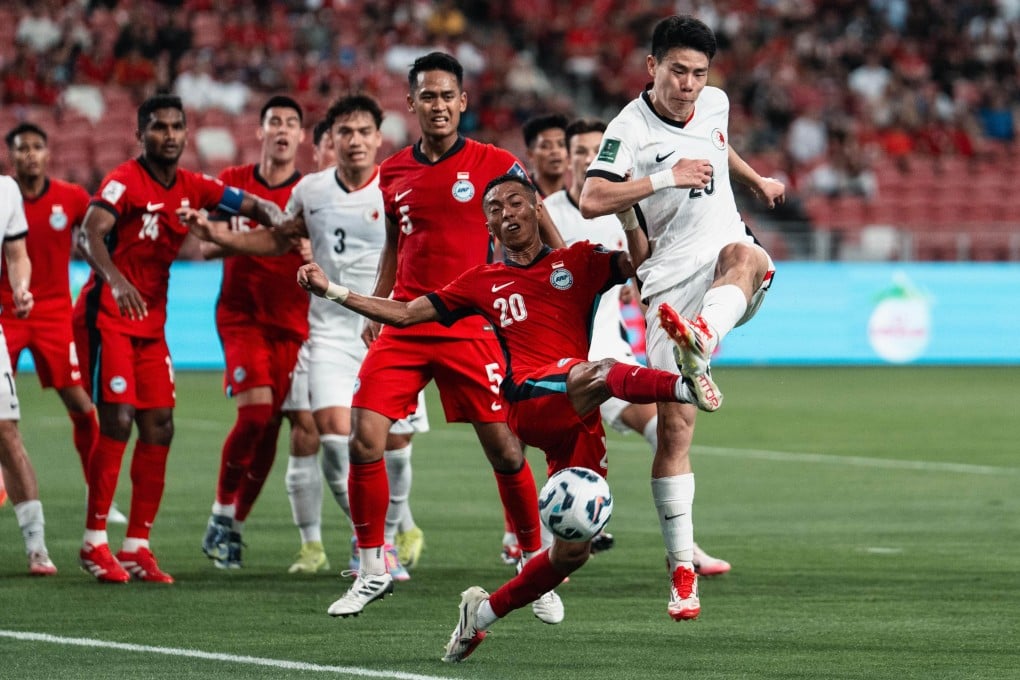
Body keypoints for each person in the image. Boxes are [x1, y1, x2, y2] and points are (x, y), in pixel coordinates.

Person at [295, 175, 705, 662]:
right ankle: (685, 384)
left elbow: (640, 263)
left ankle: (481, 615)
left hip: (577, 421)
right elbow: (404, 315)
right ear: (487, 225)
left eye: (515, 202)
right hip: (530, 399)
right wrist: (333, 291)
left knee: (572, 552)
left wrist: (627, 216)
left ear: (536, 209)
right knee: (601, 371)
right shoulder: (481, 281)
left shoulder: (578, 261)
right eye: (494, 208)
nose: (506, 212)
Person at [322, 51, 565, 620]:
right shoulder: (393, 172)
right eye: (427, 96)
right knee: (364, 437)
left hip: (471, 324)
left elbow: (541, 226)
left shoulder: (496, 163)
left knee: (505, 449)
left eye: (446, 96)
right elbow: (396, 245)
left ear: (462, 101)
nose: (437, 105)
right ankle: (371, 567)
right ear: (411, 103)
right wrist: (379, 304)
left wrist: (559, 281)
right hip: (406, 321)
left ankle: (536, 568)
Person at [579, 15, 784, 620]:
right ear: (652, 67)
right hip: (668, 282)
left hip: (721, 261)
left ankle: (704, 339)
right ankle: (681, 569)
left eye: (698, 73)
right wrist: (667, 176)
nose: (689, 84)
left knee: (748, 255)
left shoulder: (715, 104)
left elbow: (718, 146)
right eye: (677, 71)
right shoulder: (628, 129)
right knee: (675, 431)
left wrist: (755, 181)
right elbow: (592, 197)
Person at [181, 96, 428, 579]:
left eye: (364, 132)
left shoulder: (397, 185)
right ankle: (368, 542)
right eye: (344, 133)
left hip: (385, 326)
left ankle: (395, 529)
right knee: (334, 439)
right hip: (328, 331)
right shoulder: (311, 190)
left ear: (378, 138)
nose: (354, 141)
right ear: (329, 140)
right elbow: (279, 239)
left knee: (396, 445)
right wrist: (219, 236)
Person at [73, 93, 295, 584]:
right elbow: (87, 234)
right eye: (158, 127)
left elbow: (251, 203)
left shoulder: (195, 187)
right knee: (118, 420)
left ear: (186, 134)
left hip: (151, 324)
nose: (169, 135)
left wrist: (281, 218)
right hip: (107, 314)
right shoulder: (123, 180)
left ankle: (136, 546)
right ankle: (93, 542)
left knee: (160, 426)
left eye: (176, 127)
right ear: (140, 134)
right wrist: (116, 280)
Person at [541, 116, 732, 576]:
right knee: (553, 451)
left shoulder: (629, 207)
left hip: (611, 354)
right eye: (580, 151)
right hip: (561, 358)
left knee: (666, 431)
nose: (589, 158)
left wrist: (631, 273)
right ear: (568, 159)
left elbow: (643, 266)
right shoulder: (547, 211)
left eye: (596, 150)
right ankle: (536, 549)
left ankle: (681, 546)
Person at [195, 95, 320, 571]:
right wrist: (265, 240)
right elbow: (207, 248)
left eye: (291, 123)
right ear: (260, 131)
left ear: (301, 136)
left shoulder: (309, 192)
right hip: (241, 316)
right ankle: (220, 511)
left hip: (293, 321)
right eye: (275, 122)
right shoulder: (233, 184)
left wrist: (303, 248)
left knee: (270, 427)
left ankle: (233, 526)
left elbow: (320, 252)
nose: (283, 129)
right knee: (255, 415)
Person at [2, 123, 127, 526]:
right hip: (6, 314)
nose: (30, 154)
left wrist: (105, 275)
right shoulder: (5, 198)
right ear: (10, 154)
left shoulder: (70, 197)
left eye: (37, 146)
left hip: (55, 316)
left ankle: (98, 492)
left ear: (48, 153)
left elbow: (98, 232)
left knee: (81, 405)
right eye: (22, 148)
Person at [0, 174, 57, 576]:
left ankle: (36, 546)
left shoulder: (6, 191)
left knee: (6, 430)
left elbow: (17, 254)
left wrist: (21, 287)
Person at [521, 113, 568, 197]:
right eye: (545, 146)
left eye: (561, 144)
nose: (555, 151)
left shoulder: (578, 199)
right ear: (530, 155)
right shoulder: (521, 196)